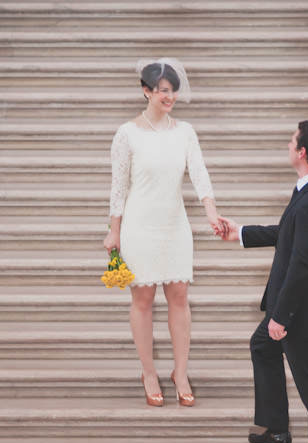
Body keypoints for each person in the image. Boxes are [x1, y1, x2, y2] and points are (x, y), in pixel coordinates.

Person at [218, 120, 308, 443]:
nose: (289, 144)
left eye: (292, 140)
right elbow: (286, 234)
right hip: (293, 306)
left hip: (301, 313)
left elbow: (304, 265)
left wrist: (281, 316)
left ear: (302, 151)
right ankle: (276, 427)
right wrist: (239, 233)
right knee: (262, 346)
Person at [103, 58, 226, 408]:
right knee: (142, 301)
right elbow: (118, 187)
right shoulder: (127, 134)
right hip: (139, 227)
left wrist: (211, 211)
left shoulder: (185, 132)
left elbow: (199, 173)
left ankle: (181, 371)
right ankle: (148, 372)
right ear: (146, 91)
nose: (168, 97)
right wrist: (114, 232)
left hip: (175, 227)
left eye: (172, 91)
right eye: (162, 91)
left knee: (180, 298)